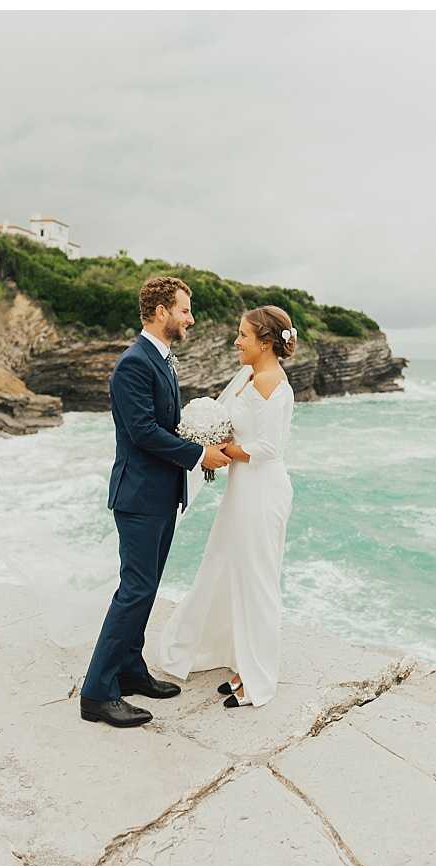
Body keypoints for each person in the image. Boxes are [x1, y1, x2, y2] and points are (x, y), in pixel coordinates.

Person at [80, 276, 231, 728]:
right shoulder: (134, 363)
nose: (190, 318)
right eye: (184, 310)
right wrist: (200, 453)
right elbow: (143, 432)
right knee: (135, 591)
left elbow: (166, 422)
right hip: (139, 496)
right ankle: (97, 692)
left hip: (161, 494)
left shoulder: (162, 359)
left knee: (145, 588)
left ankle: (130, 669)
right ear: (161, 311)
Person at [159, 305, 296, 708]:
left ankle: (257, 677)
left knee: (257, 579)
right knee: (228, 568)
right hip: (243, 489)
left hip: (263, 491)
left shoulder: (275, 385)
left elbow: (270, 448)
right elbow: (228, 420)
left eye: (244, 336)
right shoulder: (248, 376)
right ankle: (235, 659)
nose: (237, 341)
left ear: (266, 343)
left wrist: (220, 451)